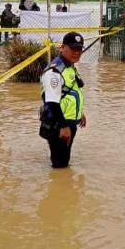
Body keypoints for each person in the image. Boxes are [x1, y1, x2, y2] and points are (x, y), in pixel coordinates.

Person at [39, 32, 87, 168]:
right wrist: (64, 127)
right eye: (73, 48)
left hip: (68, 122)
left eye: (79, 49)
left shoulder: (70, 66)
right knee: (60, 165)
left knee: (64, 160)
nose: (77, 52)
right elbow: (52, 102)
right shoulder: (55, 71)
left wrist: (80, 113)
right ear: (63, 47)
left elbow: (72, 92)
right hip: (59, 124)